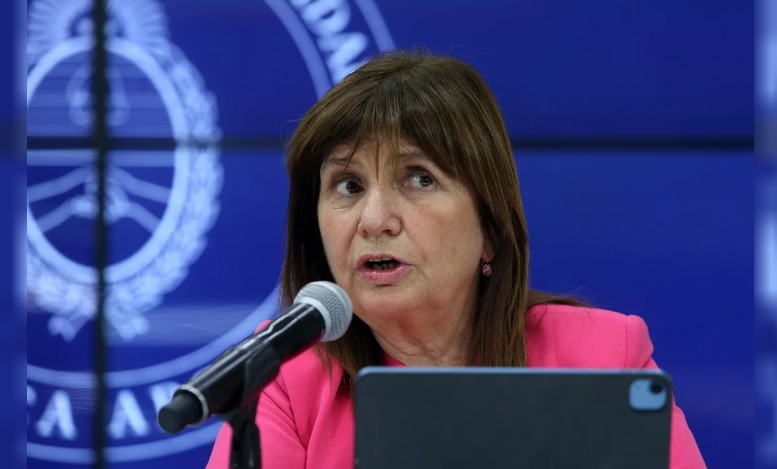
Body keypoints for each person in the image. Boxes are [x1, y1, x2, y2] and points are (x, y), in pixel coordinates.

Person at [206, 49, 705, 468]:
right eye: (349, 185)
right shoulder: (282, 373)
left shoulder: (604, 359)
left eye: (419, 178)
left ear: (490, 228)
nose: (375, 220)